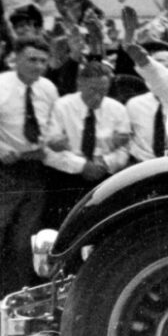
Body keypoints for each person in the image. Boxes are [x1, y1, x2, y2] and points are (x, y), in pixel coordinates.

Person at [0, 33, 59, 295]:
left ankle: (15, 294)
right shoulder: (1, 85)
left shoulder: (48, 88)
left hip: (36, 168)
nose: (37, 66)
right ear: (16, 59)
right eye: (31, 59)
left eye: (42, 61)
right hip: (5, 169)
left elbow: (53, 126)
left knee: (25, 239)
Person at [45, 59, 132, 219]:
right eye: (92, 90)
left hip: (103, 175)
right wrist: (83, 166)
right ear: (80, 82)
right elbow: (50, 148)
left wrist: (105, 163)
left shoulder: (117, 109)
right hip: (67, 177)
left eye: (103, 90)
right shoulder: (62, 106)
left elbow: (124, 148)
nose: (98, 96)